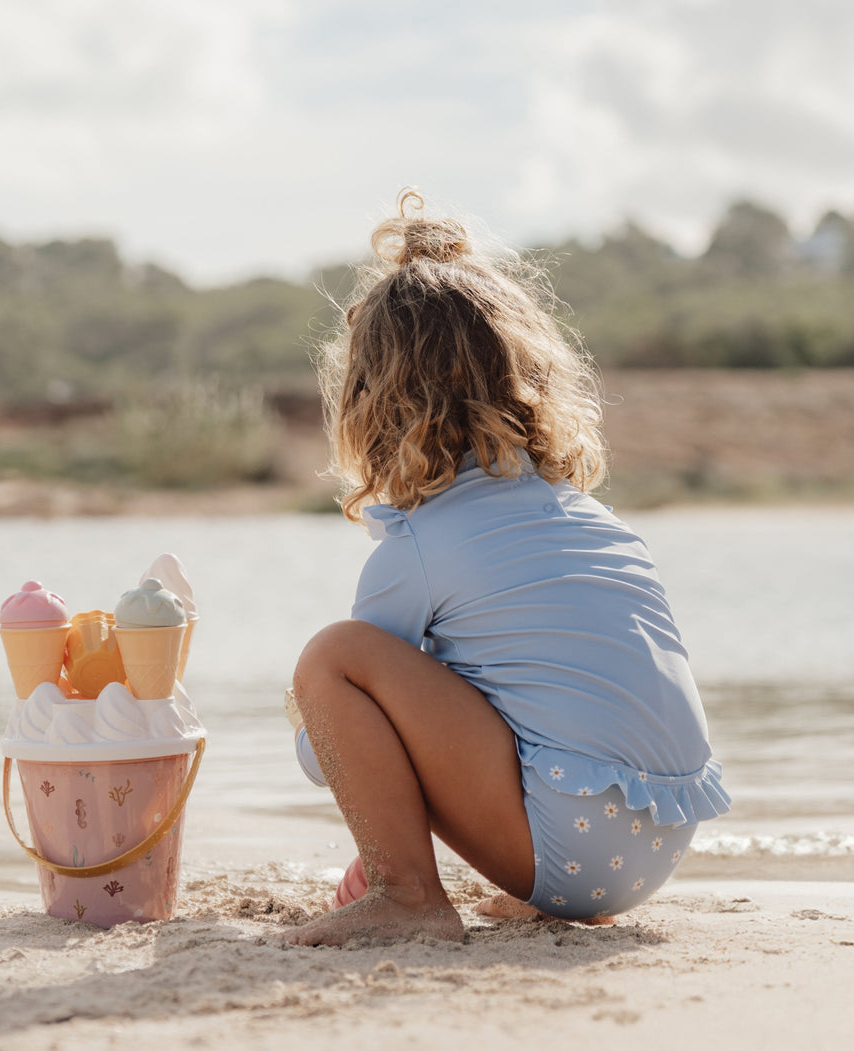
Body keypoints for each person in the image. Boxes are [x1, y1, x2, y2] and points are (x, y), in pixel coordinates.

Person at [285, 191, 729, 947]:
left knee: (332, 661)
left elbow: (327, 757)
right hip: (661, 845)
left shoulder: (416, 548)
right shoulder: (590, 519)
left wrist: (309, 715)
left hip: (575, 845)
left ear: (372, 402)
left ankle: (406, 894)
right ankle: (535, 886)